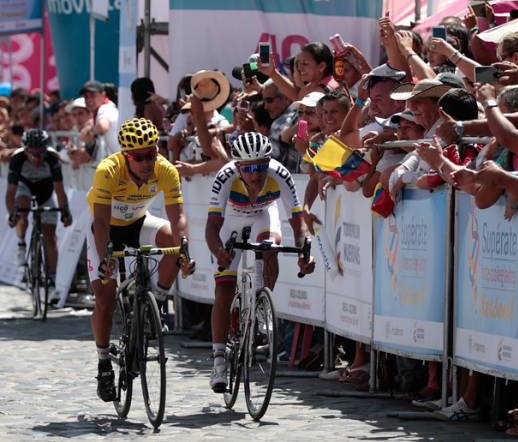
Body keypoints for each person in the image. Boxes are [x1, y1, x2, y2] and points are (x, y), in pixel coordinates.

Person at [86, 117, 196, 401]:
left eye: (152, 153)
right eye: (140, 157)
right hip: (108, 229)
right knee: (105, 298)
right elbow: (99, 222)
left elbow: (178, 216)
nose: (148, 161)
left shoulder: (165, 170)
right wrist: (105, 258)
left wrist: (183, 250)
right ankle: (102, 363)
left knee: (174, 238)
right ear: (126, 156)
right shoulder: (108, 171)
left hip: (139, 222)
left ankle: (155, 302)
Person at [205, 132, 315, 392]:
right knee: (224, 288)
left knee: (270, 246)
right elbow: (211, 227)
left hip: (263, 215)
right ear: (238, 166)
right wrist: (218, 250)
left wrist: (304, 252)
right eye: (250, 168)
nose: (256, 174)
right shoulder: (225, 177)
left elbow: (298, 223)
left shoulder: (279, 174)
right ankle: (219, 361)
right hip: (231, 220)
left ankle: (262, 304)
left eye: (261, 167)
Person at [6, 129, 73, 285]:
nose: (37, 159)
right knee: (22, 208)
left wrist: (65, 212)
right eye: (33, 155)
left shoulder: (52, 158)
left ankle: (52, 277)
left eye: (40, 154)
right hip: (25, 187)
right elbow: (10, 193)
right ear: (26, 150)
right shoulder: (17, 158)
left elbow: (59, 190)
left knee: (50, 235)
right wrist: (12, 214)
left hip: (45, 191)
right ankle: (21, 242)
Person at [79, 81, 120, 157]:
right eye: (86, 97)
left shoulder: (105, 108)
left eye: (93, 95)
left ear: (103, 95)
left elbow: (102, 126)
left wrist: (90, 132)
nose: (89, 100)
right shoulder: (103, 109)